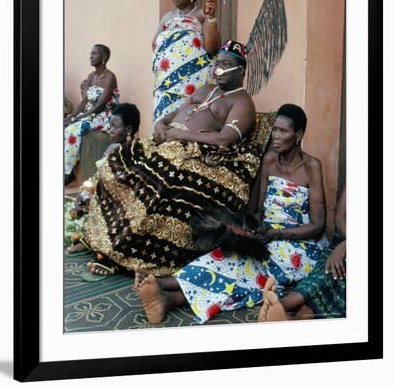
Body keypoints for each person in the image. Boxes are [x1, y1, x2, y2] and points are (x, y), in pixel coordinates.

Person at [85, 41, 274, 276]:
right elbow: (174, 113)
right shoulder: (205, 90)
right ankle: (107, 236)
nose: (219, 69)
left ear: (241, 71)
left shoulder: (242, 102)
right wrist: (160, 124)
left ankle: (128, 251)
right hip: (166, 140)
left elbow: (225, 139)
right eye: (217, 63)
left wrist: (181, 135)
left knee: (160, 176)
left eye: (226, 64)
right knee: (118, 158)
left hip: (191, 150)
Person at [133, 104, 328, 325]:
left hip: (299, 244)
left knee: (244, 268)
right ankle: (165, 295)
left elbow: (318, 225)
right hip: (268, 235)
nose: (275, 136)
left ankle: (163, 288)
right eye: (274, 129)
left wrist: (278, 234)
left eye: (283, 131)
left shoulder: (312, 166)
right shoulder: (270, 160)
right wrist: (248, 231)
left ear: (299, 134)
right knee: (226, 255)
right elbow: (256, 209)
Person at [258, 186, 346, 322]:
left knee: (341, 278)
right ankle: (281, 308)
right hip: (343, 239)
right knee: (328, 270)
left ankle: (286, 311)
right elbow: (340, 218)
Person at [65, 103, 141, 255]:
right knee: (69, 213)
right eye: (110, 125)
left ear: (128, 129)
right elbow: (99, 176)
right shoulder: (112, 147)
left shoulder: (132, 152)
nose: (110, 130)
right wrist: (85, 193)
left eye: (115, 126)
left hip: (121, 205)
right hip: (103, 198)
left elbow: (123, 186)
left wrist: (92, 198)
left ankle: (88, 240)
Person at [152, 0, 222, 122]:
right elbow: (155, 46)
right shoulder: (167, 18)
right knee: (163, 126)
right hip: (167, 84)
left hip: (193, 81)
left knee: (187, 122)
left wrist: (211, 17)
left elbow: (212, 48)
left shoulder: (202, 14)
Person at [64, 44, 119, 184]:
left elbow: (100, 105)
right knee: (66, 125)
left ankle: (68, 172)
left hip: (103, 115)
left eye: (95, 54)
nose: (91, 56)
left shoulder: (110, 77)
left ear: (104, 57)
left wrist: (80, 118)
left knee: (73, 129)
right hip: (89, 113)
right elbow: (83, 102)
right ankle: (65, 164)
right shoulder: (91, 76)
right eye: (91, 53)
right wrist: (73, 116)